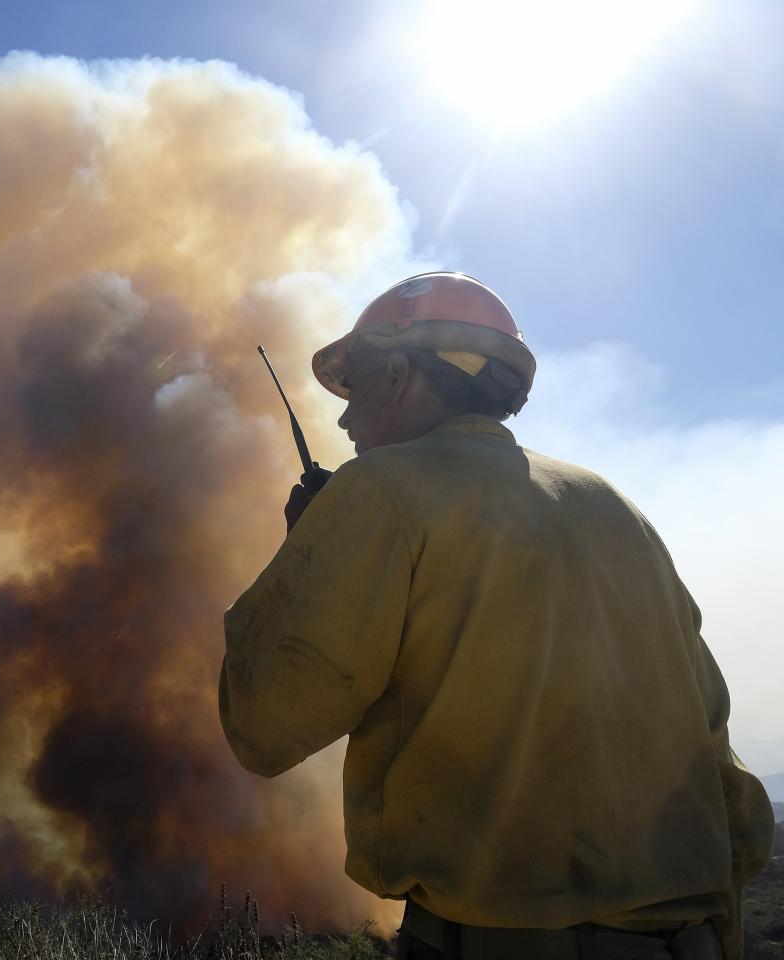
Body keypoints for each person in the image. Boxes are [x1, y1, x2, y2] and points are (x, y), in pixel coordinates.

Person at [218, 273, 775, 960]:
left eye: (354, 389)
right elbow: (734, 796)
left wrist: (305, 559)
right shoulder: (614, 507)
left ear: (396, 374)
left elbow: (264, 726)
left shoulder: (381, 490)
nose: (342, 421)